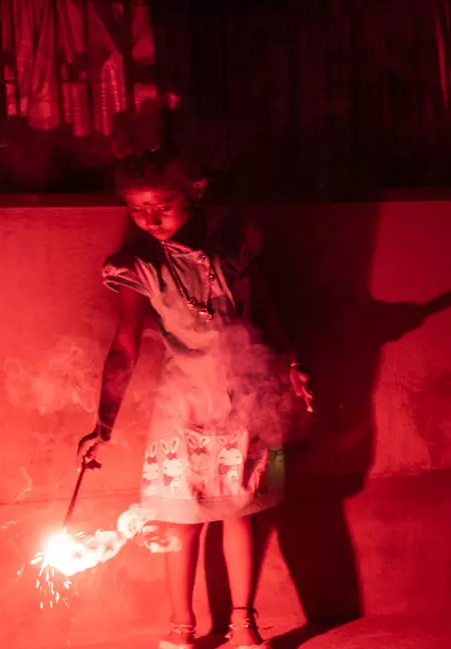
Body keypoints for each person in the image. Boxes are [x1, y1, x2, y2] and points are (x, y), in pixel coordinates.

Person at [76, 146, 312, 649]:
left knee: (239, 512)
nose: (150, 218)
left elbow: (265, 306)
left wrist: (292, 363)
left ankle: (244, 626)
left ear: (196, 191)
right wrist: (104, 424)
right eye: (138, 209)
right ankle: (180, 630)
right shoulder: (137, 266)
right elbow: (124, 347)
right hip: (182, 403)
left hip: (244, 397)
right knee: (181, 522)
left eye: (162, 205)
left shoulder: (236, 243)